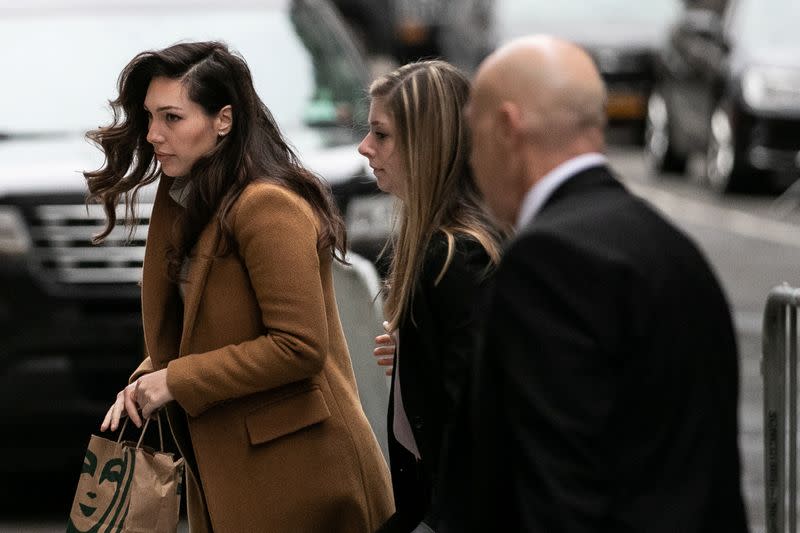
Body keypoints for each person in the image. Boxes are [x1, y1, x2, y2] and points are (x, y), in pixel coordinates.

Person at [85, 41, 394, 532]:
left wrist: (175, 381)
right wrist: (148, 378)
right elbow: (205, 330)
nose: (154, 136)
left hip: (302, 474)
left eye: (172, 118)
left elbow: (299, 346)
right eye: (149, 118)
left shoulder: (267, 205)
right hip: (237, 467)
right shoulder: (194, 201)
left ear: (223, 120)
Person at [445, 35, 750, 532]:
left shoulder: (549, 262)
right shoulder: (672, 246)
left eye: (472, 137)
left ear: (506, 127)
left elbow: (555, 488)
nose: (473, 165)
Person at [357, 60, 503, 533]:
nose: (365, 148)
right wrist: (415, 354)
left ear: (426, 144)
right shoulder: (442, 247)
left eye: (382, 135)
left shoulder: (455, 257)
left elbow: (480, 415)